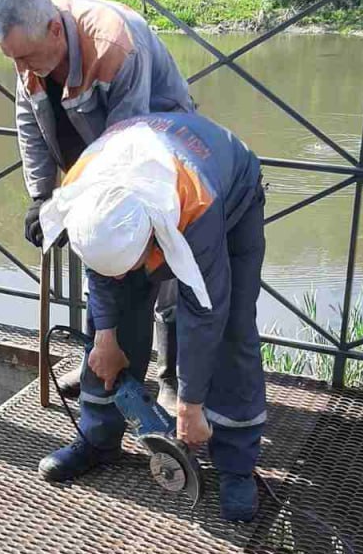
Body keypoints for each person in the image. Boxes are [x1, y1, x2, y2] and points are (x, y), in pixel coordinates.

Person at [37, 113, 267, 522]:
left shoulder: (196, 205)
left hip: (229, 198)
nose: (124, 277)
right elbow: (99, 267)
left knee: (232, 329)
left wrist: (190, 404)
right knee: (111, 328)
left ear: (152, 237)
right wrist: (106, 333)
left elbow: (204, 310)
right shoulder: (84, 192)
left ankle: (235, 465)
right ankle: (97, 439)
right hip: (135, 187)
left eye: (130, 266)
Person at [0, 0, 194, 408]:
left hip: (158, 150)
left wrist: (81, 203)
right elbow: (29, 117)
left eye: (26, 58)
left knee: (163, 267)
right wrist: (42, 198)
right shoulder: (27, 45)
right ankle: (98, 367)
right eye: (13, 60)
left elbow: (127, 146)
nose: (21, 67)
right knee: (100, 257)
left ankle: (172, 377)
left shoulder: (116, 47)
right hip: (94, 150)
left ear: (55, 33)